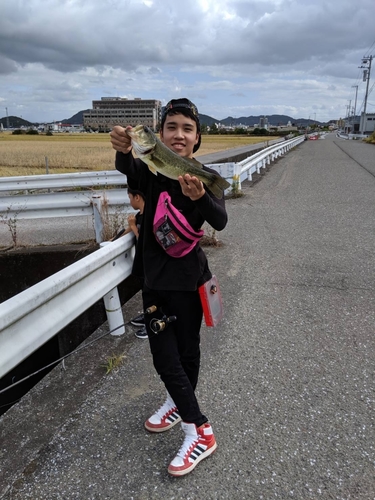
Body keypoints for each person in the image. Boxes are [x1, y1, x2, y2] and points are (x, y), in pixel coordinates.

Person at [110, 98, 228, 477]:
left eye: (187, 128)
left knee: (186, 353)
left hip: (189, 280)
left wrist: (201, 199)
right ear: (159, 135)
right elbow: (129, 171)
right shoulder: (151, 169)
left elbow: (220, 220)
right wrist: (123, 149)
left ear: (197, 138)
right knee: (166, 356)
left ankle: (198, 430)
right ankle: (184, 409)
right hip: (153, 280)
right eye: (171, 127)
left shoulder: (202, 175)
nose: (178, 134)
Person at [124, 187, 147, 339]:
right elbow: (126, 231)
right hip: (143, 263)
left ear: (137, 197)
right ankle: (147, 316)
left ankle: (152, 325)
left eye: (130, 197)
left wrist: (133, 226)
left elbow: (145, 240)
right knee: (146, 291)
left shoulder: (149, 217)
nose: (130, 201)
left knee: (154, 293)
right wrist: (112, 242)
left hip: (151, 263)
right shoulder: (140, 215)